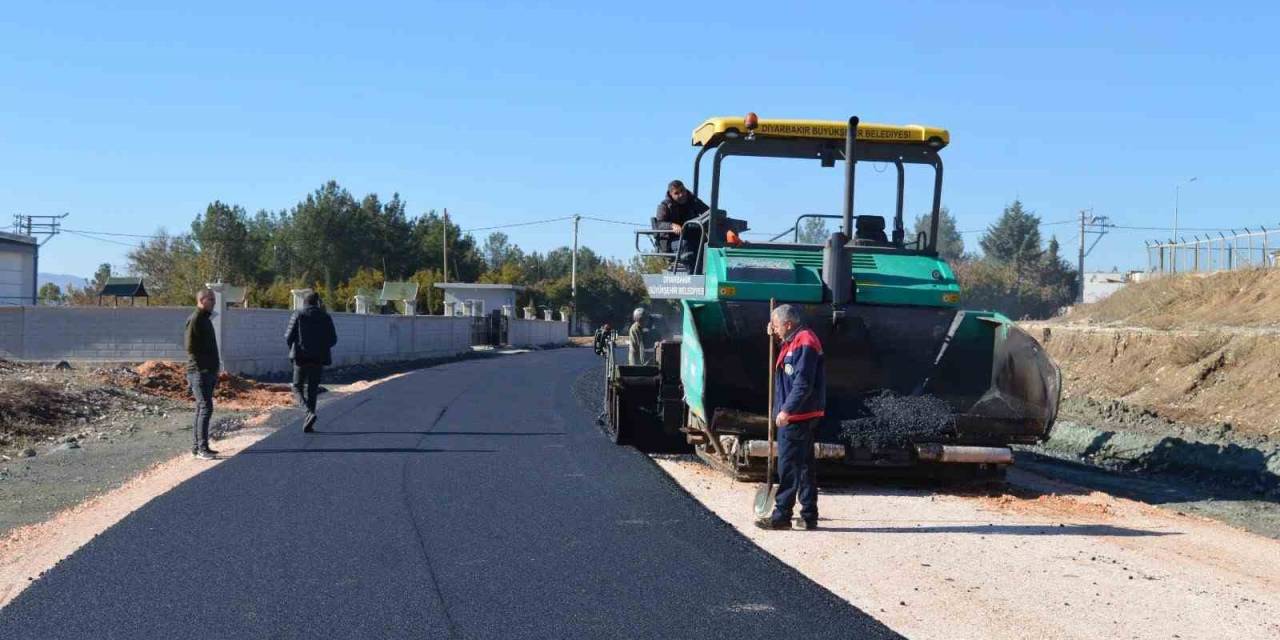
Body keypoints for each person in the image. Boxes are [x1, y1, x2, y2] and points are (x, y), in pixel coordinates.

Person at [758, 304, 825, 531]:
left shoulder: (805, 341)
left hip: (798, 415)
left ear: (788, 324)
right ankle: (808, 516)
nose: (774, 329)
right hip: (802, 413)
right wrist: (775, 337)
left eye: (777, 326)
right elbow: (788, 360)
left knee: (787, 466)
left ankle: (781, 516)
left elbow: (803, 382)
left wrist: (787, 410)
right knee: (805, 466)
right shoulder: (794, 340)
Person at [285, 292, 338, 433]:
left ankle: (308, 413)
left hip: (301, 358)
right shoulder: (325, 317)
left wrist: (294, 348)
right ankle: (310, 422)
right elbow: (333, 339)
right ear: (317, 302)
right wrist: (320, 347)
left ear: (305, 302)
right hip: (318, 358)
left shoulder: (298, 314)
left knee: (297, 387)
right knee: (312, 389)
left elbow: (288, 336)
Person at [185, 289, 220, 460]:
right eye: (211, 299)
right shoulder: (196, 319)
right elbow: (191, 348)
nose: (214, 302)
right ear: (201, 300)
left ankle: (197, 446)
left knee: (202, 408)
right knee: (206, 407)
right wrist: (204, 368)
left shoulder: (205, 319)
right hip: (199, 372)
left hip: (208, 372)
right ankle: (201, 449)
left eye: (214, 299)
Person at [655, 179, 709, 271]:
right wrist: (672, 225)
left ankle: (706, 273)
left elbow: (707, 211)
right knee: (686, 245)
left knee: (706, 243)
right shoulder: (664, 206)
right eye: (676, 193)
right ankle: (693, 275)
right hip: (671, 241)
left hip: (690, 237)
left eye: (682, 191)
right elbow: (659, 224)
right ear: (671, 194)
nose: (681, 195)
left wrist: (718, 219)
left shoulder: (692, 200)